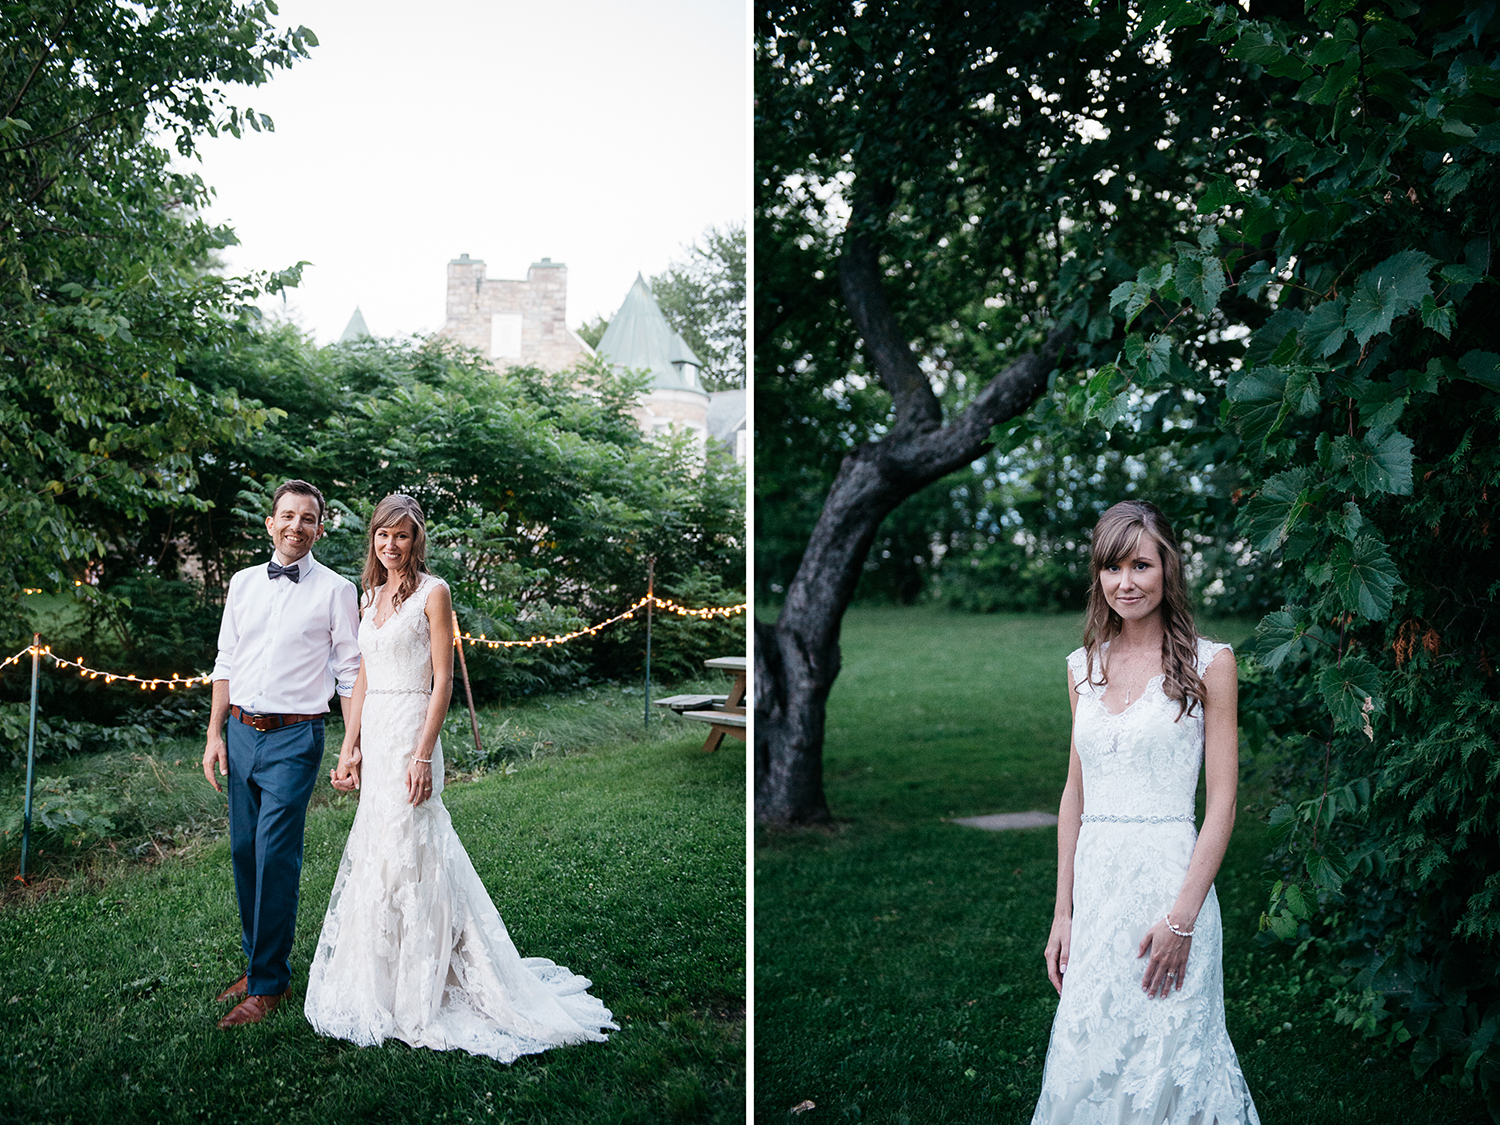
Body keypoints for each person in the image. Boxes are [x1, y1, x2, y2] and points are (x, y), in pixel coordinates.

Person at [303, 493, 616, 1060]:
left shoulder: (434, 593)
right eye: (382, 534)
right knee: (380, 847)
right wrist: (348, 748)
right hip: (375, 729)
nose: (391, 544)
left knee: (415, 845)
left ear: (416, 539)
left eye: (402, 535)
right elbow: (363, 680)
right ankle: (383, 975)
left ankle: (429, 981)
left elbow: (443, 680)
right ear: (372, 539)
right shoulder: (367, 598)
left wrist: (423, 753)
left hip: (413, 730)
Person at [1032, 500, 1259, 1124]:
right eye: (1111, 568)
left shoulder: (1211, 664)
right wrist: (1062, 913)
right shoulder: (1084, 668)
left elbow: (1223, 804)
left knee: (1173, 1054)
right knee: (1092, 1054)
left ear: (1168, 569)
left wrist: (1182, 919)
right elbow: (1074, 794)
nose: (1125, 582)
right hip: (1099, 890)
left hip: (1171, 882)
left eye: (1140, 564)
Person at [203, 479, 362, 1029]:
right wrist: (214, 734)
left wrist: (351, 743)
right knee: (245, 852)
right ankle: (257, 963)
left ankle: (270, 984)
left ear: (320, 527)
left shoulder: (338, 591)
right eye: (287, 516)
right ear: (270, 523)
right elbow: (226, 658)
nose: (296, 526)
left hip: (297, 738)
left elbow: (350, 672)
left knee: (275, 854)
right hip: (241, 732)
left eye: (308, 518)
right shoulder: (243, 583)